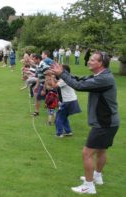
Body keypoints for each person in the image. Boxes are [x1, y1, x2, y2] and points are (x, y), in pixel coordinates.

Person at [49, 52, 119, 194]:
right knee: (101, 150)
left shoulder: (104, 79)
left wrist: (62, 73)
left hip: (104, 122)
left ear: (101, 64)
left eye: (92, 60)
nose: (88, 61)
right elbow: (79, 80)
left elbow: (78, 86)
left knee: (87, 153)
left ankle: (88, 186)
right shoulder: (101, 76)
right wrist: (63, 73)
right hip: (109, 121)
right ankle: (97, 177)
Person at [47, 65, 81, 137]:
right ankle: (68, 131)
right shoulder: (66, 78)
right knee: (64, 116)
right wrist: (52, 77)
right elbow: (57, 82)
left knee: (59, 116)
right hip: (71, 100)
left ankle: (59, 133)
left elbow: (54, 86)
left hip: (68, 101)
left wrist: (52, 78)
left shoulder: (64, 80)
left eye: (60, 69)